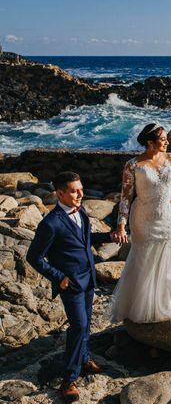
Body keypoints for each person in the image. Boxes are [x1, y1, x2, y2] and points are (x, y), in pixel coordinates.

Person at [27, 171, 115, 402]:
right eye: (75, 191)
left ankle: (84, 359)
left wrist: (110, 236)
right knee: (78, 326)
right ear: (60, 193)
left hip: (89, 279)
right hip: (71, 284)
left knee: (86, 323)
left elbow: (86, 239)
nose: (80, 194)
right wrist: (59, 277)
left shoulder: (81, 211)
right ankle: (69, 378)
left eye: (81, 189)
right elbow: (34, 257)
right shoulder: (51, 223)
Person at [110, 123, 171, 323]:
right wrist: (121, 225)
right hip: (143, 218)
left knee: (169, 256)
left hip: (167, 217)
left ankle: (168, 302)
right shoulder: (133, 165)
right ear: (150, 142)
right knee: (142, 259)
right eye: (163, 139)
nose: (167, 142)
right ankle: (138, 306)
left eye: (166, 139)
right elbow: (126, 196)